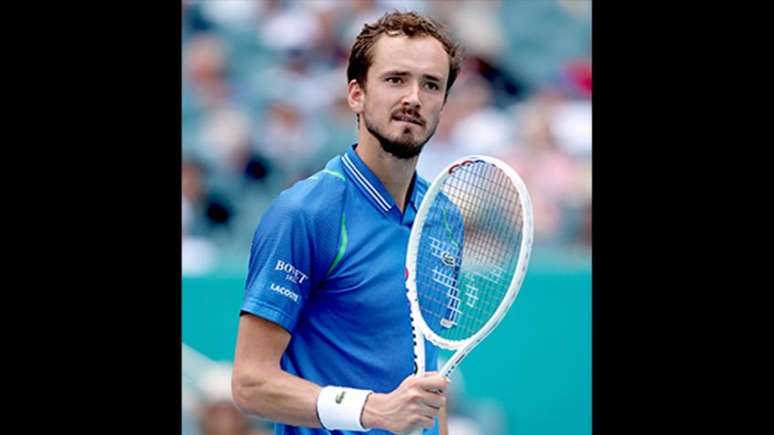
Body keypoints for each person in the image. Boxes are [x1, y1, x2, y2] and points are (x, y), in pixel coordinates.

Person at [231, 11, 463, 434]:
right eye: (395, 79)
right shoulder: (305, 213)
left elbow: (429, 381)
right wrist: (370, 409)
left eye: (431, 84)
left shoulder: (443, 217)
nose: (414, 96)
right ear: (356, 94)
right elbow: (250, 383)